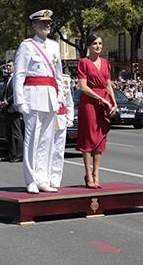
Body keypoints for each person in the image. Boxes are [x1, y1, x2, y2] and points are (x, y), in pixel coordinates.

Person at [13, 9, 64, 194]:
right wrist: (20, 101)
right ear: (34, 25)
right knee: (32, 140)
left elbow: (58, 75)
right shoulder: (27, 46)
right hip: (32, 98)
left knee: (47, 141)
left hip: (50, 98)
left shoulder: (54, 46)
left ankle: (43, 178)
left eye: (49, 22)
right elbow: (19, 74)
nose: (47, 25)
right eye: (43, 23)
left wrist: (59, 98)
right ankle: (31, 180)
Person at [76, 33, 117, 188]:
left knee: (100, 138)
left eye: (100, 43)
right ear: (88, 46)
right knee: (88, 138)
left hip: (104, 102)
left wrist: (113, 101)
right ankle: (88, 174)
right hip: (90, 103)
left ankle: (96, 174)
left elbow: (108, 84)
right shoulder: (83, 62)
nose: (98, 46)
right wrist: (101, 99)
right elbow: (83, 87)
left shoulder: (106, 63)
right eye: (94, 44)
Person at [50, 73, 74, 188]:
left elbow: (69, 101)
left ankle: (55, 179)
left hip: (61, 118)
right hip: (47, 118)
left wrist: (70, 116)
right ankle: (44, 176)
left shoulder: (64, 80)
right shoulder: (46, 76)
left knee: (59, 151)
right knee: (46, 149)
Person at [0, 60, 24, 163]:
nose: (8, 68)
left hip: (14, 109)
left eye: (9, 66)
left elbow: (16, 94)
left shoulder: (16, 78)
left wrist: (7, 102)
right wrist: (1, 101)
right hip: (7, 109)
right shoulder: (7, 79)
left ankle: (19, 154)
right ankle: (11, 154)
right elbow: (5, 92)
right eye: (7, 66)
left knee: (16, 133)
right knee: (9, 133)